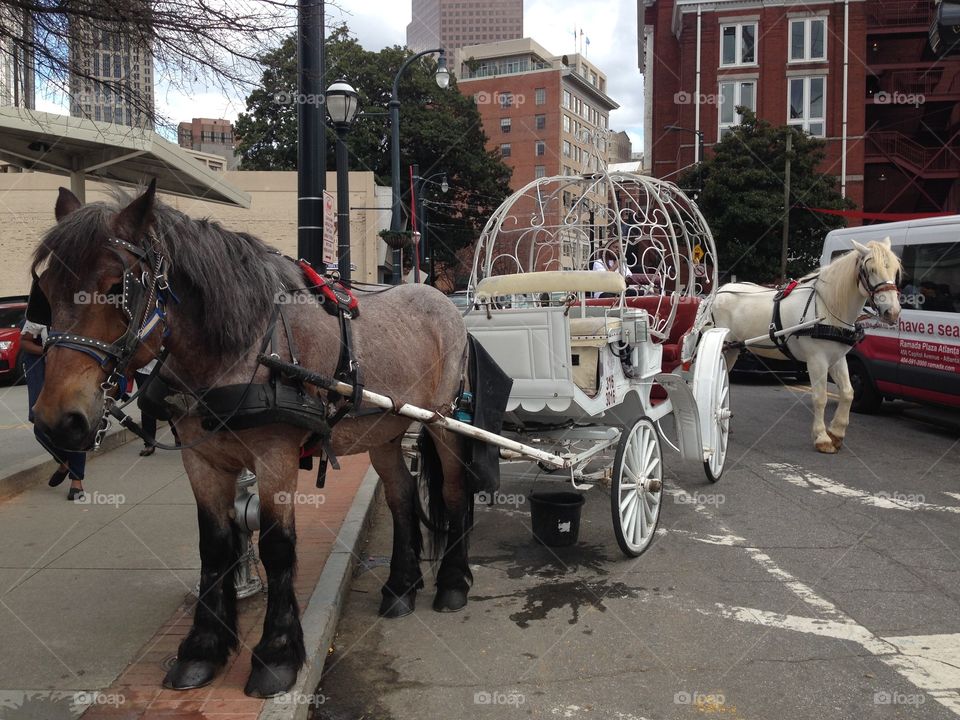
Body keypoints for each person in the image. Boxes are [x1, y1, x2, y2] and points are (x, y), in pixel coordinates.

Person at [20, 319, 87, 500]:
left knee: (74, 425)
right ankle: (64, 460)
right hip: (48, 373)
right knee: (40, 425)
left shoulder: (80, 311)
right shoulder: (39, 314)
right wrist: (46, 350)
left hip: (75, 374)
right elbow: (24, 341)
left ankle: (77, 482)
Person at [135, 359, 158, 456]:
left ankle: (177, 434)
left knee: (169, 402)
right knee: (147, 406)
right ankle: (149, 442)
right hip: (142, 370)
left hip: (164, 369)